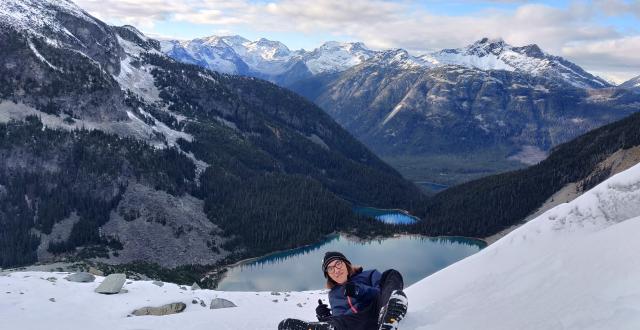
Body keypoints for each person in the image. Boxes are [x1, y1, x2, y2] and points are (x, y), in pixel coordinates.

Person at [278, 251, 408, 330]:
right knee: (338, 323)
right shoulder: (333, 295)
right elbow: (342, 319)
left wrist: (359, 291)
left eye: (338, 264)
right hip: (356, 324)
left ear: (346, 264)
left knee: (391, 274)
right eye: (330, 269)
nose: (336, 270)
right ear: (328, 275)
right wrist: (325, 317)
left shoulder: (369, 274)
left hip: (378, 312)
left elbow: (380, 293)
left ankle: (389, 316)